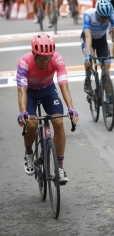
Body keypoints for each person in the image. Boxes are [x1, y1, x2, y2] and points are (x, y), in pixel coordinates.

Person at [17, 34, 79, 185]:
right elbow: (22, 91)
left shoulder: (57, 59)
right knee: (31, 124)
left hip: (47, 90)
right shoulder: (24, 62)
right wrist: (23, 112)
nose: (45, 62)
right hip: (30, 93)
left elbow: (64, 85)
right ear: (34, 54)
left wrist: (71, 108)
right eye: (42, 58)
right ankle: (29, 152)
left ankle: (60, 166)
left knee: (58, 122)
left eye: (48, 57)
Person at [81, 0, 114, 94]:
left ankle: (109, 100)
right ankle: (87, 80)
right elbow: (88, 36)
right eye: (102, 17)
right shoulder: (89, 15)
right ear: (97, 13)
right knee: (90, 59)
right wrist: (88, 54)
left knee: (106, 69)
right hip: (89, 39)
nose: (104, 20)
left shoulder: (112, 15)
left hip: (101, 40)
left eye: (106, 18)